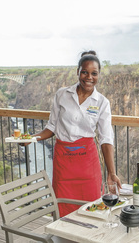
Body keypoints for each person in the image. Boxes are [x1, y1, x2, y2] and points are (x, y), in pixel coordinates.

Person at [24, 50, 121, 217]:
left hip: (87, 165)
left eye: (94, 73)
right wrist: (33, 138)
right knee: (62, 208)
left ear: (99, 75)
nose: (89, 77)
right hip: (64, 163)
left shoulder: (102, 103)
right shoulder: (62, 95)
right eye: (84, 72)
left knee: (92, 208)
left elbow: (106, 139)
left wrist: (112, 172)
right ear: (78, 72)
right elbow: (52, 127)